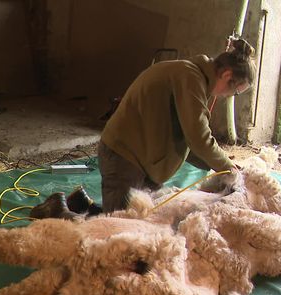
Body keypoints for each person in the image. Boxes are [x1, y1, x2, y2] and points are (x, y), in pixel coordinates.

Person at [97, 38, 256, 213]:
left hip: (142, 158)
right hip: (125, 156)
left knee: (146, 220)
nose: (230, 96)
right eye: (236, 91)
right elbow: (198, 137)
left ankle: (79, 205)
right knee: (119, 225)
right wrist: (228, 168)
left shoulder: (194, 78)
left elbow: (188, 138)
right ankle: (68, 215)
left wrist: (220, 163)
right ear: (226, 75)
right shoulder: (190, 78)